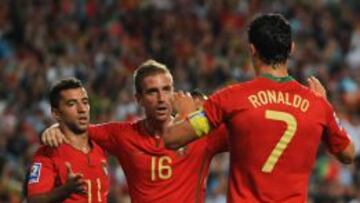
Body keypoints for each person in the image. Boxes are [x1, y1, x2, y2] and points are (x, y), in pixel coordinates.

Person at [163, 13, 355, 203]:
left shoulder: (231, 98)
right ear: (292, 49)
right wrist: (326, 105)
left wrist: (186, 113)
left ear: (252, 50)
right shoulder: (317, 104)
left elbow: (172, 139)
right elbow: (348, 154)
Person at [41, 60, 229, 203]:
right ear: (138, 98)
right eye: (152, 92)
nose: (162, 98)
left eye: (166, 90)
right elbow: (79, 130)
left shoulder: (203, 134)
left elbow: (249, 132)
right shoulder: (123, 135)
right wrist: (56, 128)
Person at [26, 78, 109, 203]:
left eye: (85, 102)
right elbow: (34, 201)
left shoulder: (100, 146)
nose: (82, 109)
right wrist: (65, 190)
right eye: (71, 104)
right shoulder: (48, 152)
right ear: (56, 113)